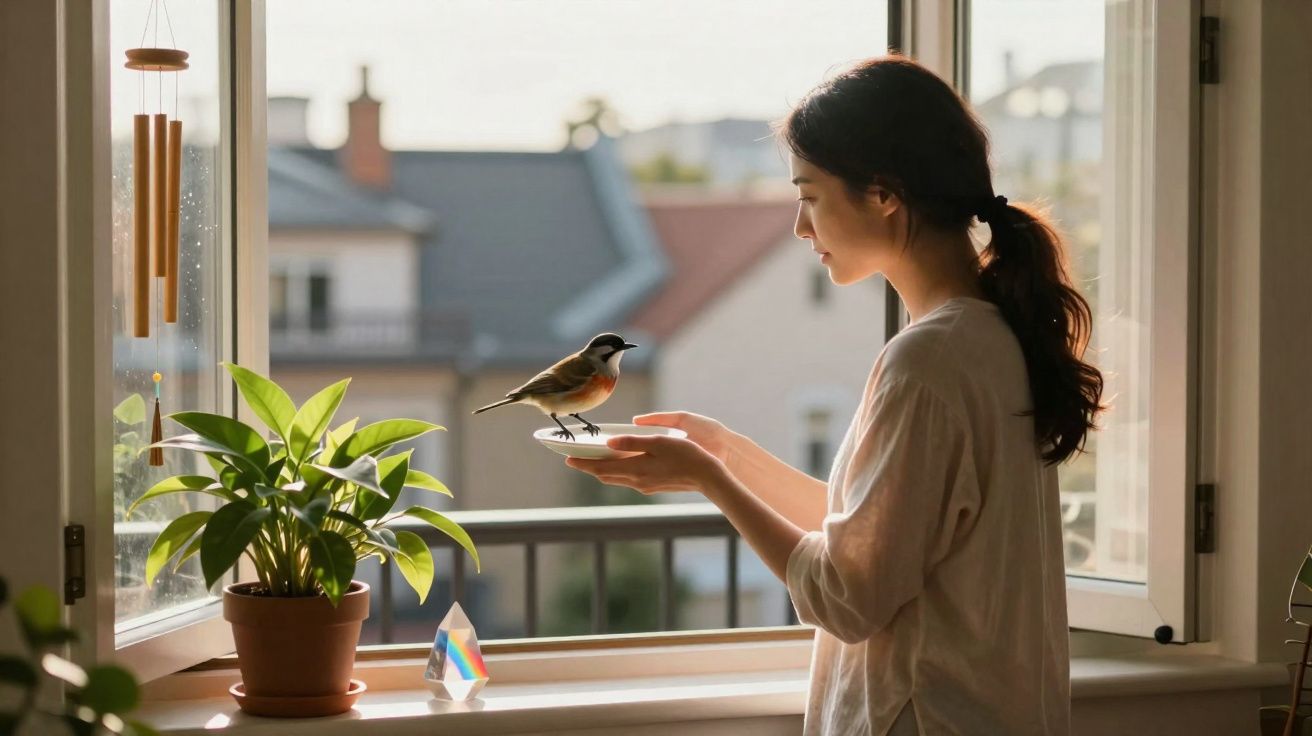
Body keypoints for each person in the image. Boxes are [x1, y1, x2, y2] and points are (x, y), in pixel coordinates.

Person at [565, 56, 1103, 736]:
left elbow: (847, 597)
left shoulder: (929, 360)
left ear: (883, 194)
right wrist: (726, 455)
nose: (799, 226)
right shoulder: (987, 337)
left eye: (810, 195)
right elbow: (878, 540)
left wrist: (709, 479)